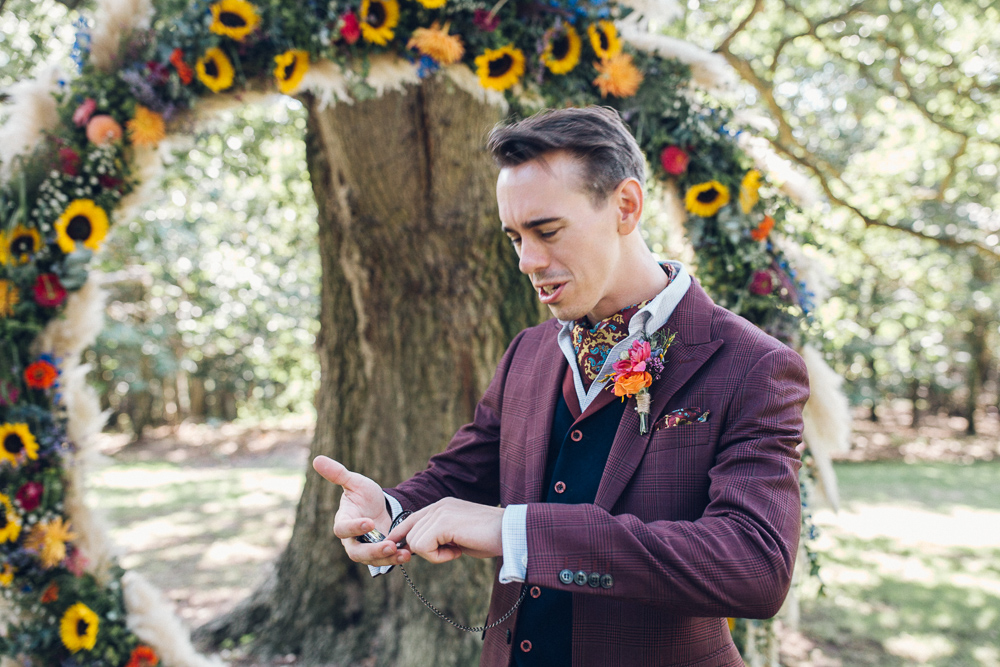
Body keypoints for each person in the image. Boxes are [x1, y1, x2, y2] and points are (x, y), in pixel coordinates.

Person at [313, 106, 810, 666]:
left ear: (626, 206)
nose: (528, 260)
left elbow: (753, 567)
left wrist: (516, 532)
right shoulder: (527, 350)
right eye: (515, 237)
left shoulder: (753, 365)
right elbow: (463, 473)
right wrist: (390, 511)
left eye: (546, 231)